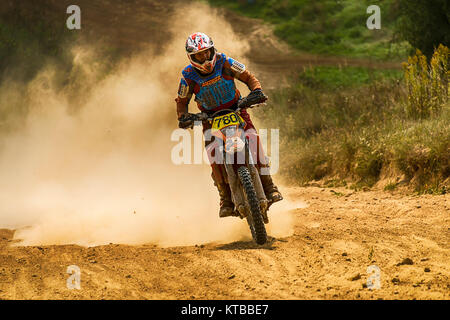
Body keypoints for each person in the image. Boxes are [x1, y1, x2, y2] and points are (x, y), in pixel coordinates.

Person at [175, 32, 282, 218]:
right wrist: (183, 117)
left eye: (206, 53)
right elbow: (182, 100)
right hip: (209, 118)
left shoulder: (225, 61)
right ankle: (225, 198)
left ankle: (269, 185)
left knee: (254, 142)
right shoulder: (188, 76)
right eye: (199, 55)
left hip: (237, 110)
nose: (204, 58)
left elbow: (248, 77)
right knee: (213, 155)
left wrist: (256, 91)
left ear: (212, 50)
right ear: (191, 57)